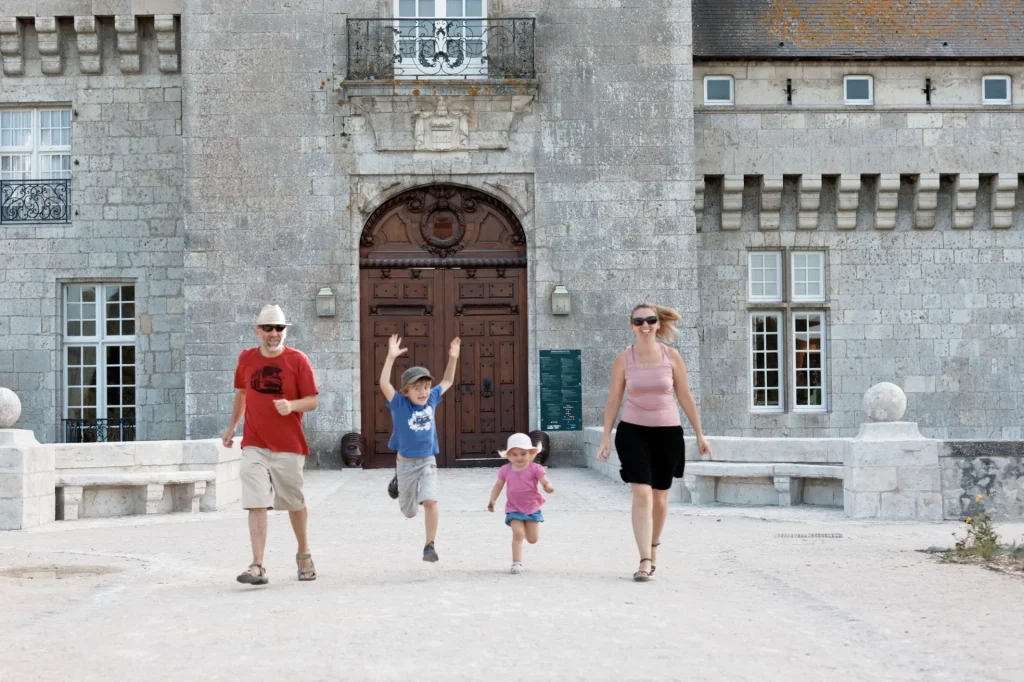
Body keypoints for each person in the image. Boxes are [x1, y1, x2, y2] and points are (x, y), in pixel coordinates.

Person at [597, 303, 712, 582]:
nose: (645, 325)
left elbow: (685, 396)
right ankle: (644, 560)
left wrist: (699, 434)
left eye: (650, 320)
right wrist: (605, 437)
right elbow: (614, 399)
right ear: (631, 326)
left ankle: (654, 547)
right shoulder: (624, 359)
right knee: (642, 494)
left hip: (667, 433)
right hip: (633, 432)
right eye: (638, 322)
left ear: (658, 324)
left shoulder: (672, 357)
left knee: (660, 498)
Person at [223, 304, 319, 586]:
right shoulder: (246, 359)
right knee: (256, 503)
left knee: (294, 503)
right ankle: (257, 565)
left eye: (278, 328)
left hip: (289, 445)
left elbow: (312, 401)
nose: (273, 333)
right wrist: (232, 427)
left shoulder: (298, 360)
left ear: (285, 331)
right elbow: (241, 394)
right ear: (257, 331)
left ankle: (304, 554)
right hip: (254, 444)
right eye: (267, 328)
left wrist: (291, 405)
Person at [379, 333, 460, 562]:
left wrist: (453, 357)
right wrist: (390, 357)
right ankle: (397, 480)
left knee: (431, 500)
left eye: (425, 387)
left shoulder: (432, 398)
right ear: (406, 391)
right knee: (409, 511)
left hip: (427, 461)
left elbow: (447, 381)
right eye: (417, 388)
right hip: (405, 464)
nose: (423, 392)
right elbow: (384, 383)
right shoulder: (399, 403)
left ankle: (429, 545)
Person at [487, 433, 554, 574]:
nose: (519, 458)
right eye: (515, 454)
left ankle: (526, 531)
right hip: (514, 508)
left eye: (523, 454)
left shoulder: (535, 468)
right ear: (509, 456)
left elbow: (544, 480)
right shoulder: (505, 470)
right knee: (518, 534)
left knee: (532, 539)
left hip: (532, 508)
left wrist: (547, 486)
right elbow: (498, 485)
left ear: (531, 453)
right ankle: (516, 563)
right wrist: (492, 500)